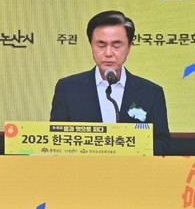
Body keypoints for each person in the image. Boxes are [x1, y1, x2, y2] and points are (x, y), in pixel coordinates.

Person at [50, 10, 170, 155]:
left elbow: (162, 143)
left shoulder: (151, 92)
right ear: (91, 45)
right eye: (101, 45)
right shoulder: (68, 89)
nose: (108, 53)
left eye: (116, 45)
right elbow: (56, 140)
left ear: (129, 47)